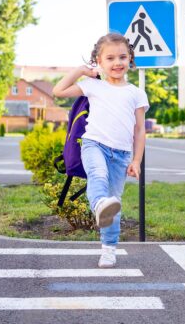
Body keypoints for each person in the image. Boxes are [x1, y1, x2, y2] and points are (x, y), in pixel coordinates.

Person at [53, 33, 149, 268]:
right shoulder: (92, 86)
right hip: (93, 145)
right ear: (99, 61)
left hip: (122, 154)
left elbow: (139, 130)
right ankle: (98, 206)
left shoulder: (136, 93)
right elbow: (59, 90)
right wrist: (82, 70)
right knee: (98, 177)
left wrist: (136, 160)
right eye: (110, 58)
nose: (117, 63)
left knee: (114, 201)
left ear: (130, 59)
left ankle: (108, 249)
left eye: (123, 57)